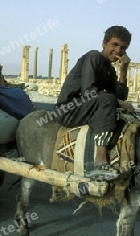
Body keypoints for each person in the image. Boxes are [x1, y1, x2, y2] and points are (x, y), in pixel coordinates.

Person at [55, 25, 135, 180]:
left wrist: (123, 71)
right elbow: (89, 92)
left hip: (88, 108)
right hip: (69, 109)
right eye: (115, 44)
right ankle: (99, 160)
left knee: (113, 103)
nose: (118, 51)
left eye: (123, 47)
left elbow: (119, 97)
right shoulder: (94, 57)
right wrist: (118, 102)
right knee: (108, 100)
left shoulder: (109, 69)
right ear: (104, 43)